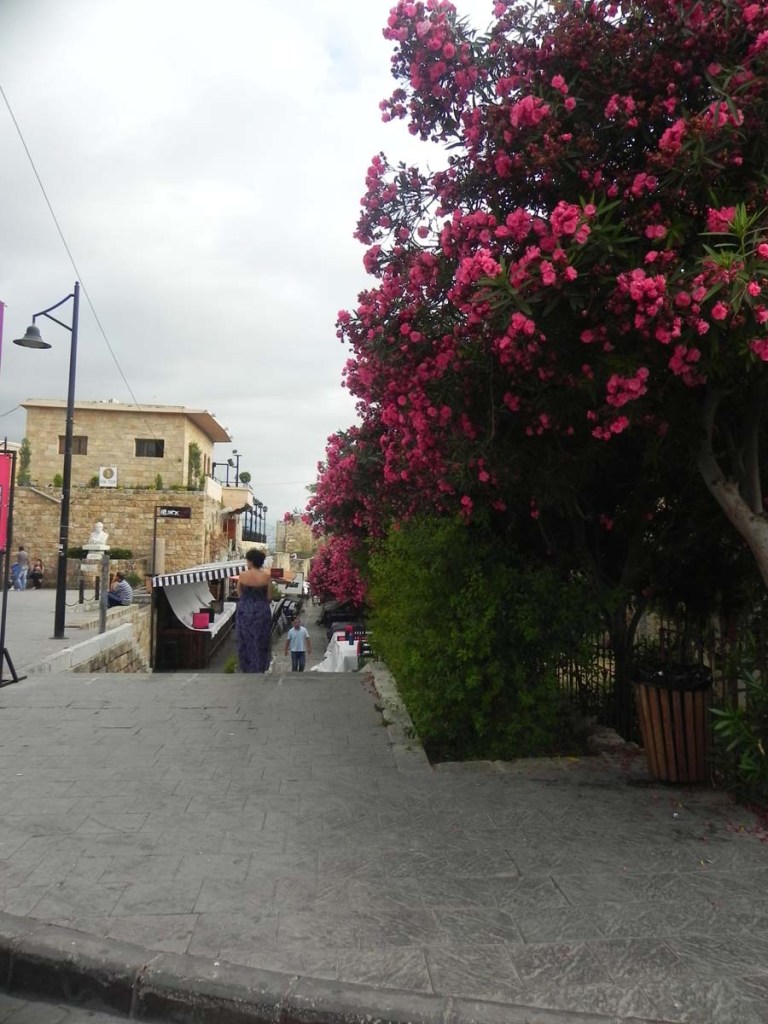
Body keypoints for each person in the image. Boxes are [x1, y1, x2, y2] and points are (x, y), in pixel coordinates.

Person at [236, 548, 273, 672]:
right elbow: (269, 597)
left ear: (251, 561)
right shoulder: (266, 577)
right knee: (261, 639)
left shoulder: (242, 575)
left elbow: (239, 593)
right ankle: (259, 667)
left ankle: (247, 667)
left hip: (245, 610)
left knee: (246, 640)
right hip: (262, 610)